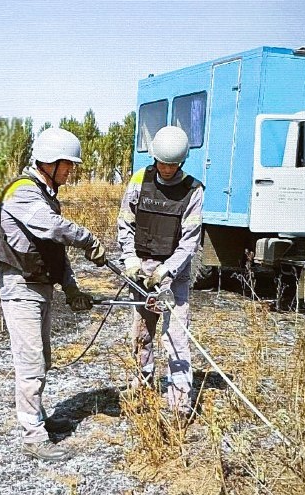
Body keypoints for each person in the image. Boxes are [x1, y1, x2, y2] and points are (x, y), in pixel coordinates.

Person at [0, 127, 107, 462]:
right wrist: (88, 238)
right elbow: (55, 228)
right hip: (21, 288)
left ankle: (39, 418)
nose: (71, 171)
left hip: (39, 287)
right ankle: (33, 436)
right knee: (31, 363)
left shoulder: (44, 193)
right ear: (50, 162)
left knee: (43, 360)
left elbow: (54, 251)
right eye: (68, 164)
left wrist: (71, 288)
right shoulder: (23, 193)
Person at [116, 125, 204, 415]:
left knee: (176, 334)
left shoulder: (193, 191)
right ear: (154, 157)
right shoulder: (140, 180)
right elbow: (125, 223)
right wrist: (130, 259)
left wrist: (168, 271)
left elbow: (190, 241)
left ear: (182, 162)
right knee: (141, 332)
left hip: (172, 273)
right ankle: (140, 383)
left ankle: (179, 401)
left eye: (173, 164)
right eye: (162, 162)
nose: (166, 169)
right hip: (141, 267)